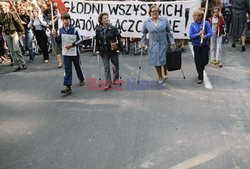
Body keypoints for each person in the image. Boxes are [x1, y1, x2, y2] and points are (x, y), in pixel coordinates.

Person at [141, 5, 175, 84]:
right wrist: (143, 43)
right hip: (153, 45)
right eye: (153, 11)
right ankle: (160, 76)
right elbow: (143, 33)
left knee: (164, 60)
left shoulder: (164, 20)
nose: (154, 12)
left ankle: (165, 70)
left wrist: (172, 41)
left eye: (156, 11)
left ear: (159, 12)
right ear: (150, 13)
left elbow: (169, 31)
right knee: (157, 62)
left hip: (164, 43)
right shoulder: (147, 21)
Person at [52, 13, 85, 94]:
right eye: (64, 19)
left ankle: (81, 79)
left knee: (77, 66)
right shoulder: (60, 30)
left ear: (70, 20)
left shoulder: (74, 29)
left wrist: (72, 45)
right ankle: (67, 86)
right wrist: (55, 36)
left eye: (67, 19)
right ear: (62, 20)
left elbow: (80, 39)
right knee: (67, 69)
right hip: (66, 53)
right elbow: (58, 42)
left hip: (74, 52)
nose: (66, 21)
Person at [95, 12, 122, 91]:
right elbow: (97, 40)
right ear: (101, 21)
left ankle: (116, 78)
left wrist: (119, 48)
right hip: (104, 50)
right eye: (105, 18)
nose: (107, 19)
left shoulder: (113, 28)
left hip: (113, 49)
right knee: (106, 67)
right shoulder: (98, 29)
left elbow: (119, 38)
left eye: (107, 17)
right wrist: (97, 49)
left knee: (115, 65)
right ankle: (108, 83)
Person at [0, 2, 27, 72]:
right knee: (11, 51)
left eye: (3, 8)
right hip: (7, 34)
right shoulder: (1, 16)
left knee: (16, 49)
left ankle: (23, 63)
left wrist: (22, 32)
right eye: (1, 8)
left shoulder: (12, 14)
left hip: (14, 33)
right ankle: (17, 65)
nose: (2, 9)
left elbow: (18, 23)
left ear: (7, 7)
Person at [189, 8, 212, 84]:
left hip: (205, 45)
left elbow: (210, 33)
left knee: (205, 60)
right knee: (198, 61)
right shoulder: (192, 25)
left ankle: (201, 68)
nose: (193, 17)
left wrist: (205, 36)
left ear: (200, 16)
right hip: (196, 46)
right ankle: (200, 76)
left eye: (195, 15)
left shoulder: (206, 23)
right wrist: (198, 34)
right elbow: (191, 36)